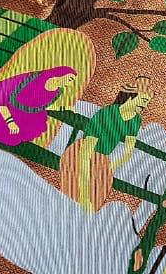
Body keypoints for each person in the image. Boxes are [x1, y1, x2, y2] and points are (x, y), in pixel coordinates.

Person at [59, 75, 152, 213]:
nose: (145, 106)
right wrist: (84, 195)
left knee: (97, 196)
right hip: (80, 155)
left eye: (147, 102)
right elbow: (85, 153)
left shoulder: (135, 120)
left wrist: (109, 168)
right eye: (144, 100)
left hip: (102, 160)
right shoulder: (108, 113)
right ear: (132, 96)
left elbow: (128, 152)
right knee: (75, 194)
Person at [0, 66, 77, 147]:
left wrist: (63, 108)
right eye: (70, 79)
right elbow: (2, 100)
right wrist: (10, 122)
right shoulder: (33, 78)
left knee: (33, 128)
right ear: (61, 73)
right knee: (7, 132)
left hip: (25, 112)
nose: (69, 83)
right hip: (2, 105)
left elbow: (42, 105)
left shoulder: (57, 92)